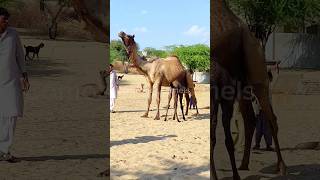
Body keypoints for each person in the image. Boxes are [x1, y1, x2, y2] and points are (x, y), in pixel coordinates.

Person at [0, 7, 30, 162]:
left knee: (11, 115)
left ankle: (5, 151)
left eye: (7, 19)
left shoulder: (13, 34)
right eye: (3, 19)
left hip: (11, 81)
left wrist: (24, 75)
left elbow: (19, 54)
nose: (6, 22)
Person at [252, 71, 274, 151]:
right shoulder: (260, 87)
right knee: (260, 129)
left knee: (265, 128)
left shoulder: (268, 88)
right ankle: (258, 144)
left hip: (264, 110)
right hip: (260, 110)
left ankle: (266, 144)